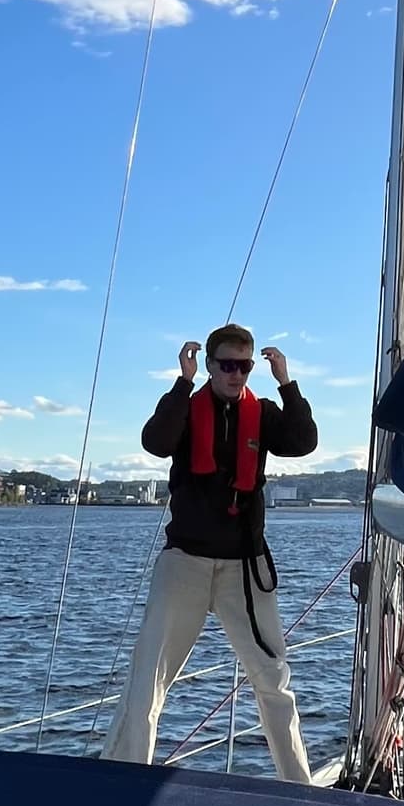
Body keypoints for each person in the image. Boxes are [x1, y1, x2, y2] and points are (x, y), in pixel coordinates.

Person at [100, 322, 319, 782]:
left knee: (274, 679)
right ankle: (121, 779)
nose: (235, 374)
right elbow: (155, 442)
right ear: (211, 366)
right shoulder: (186, 407)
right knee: (148, 678)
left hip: (245, 566)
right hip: (185, 563)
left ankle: (300, 787)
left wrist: (287, 383)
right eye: (226, 366)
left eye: (243, 366)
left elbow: (303, 442)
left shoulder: (262, 413)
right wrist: (182, 382)